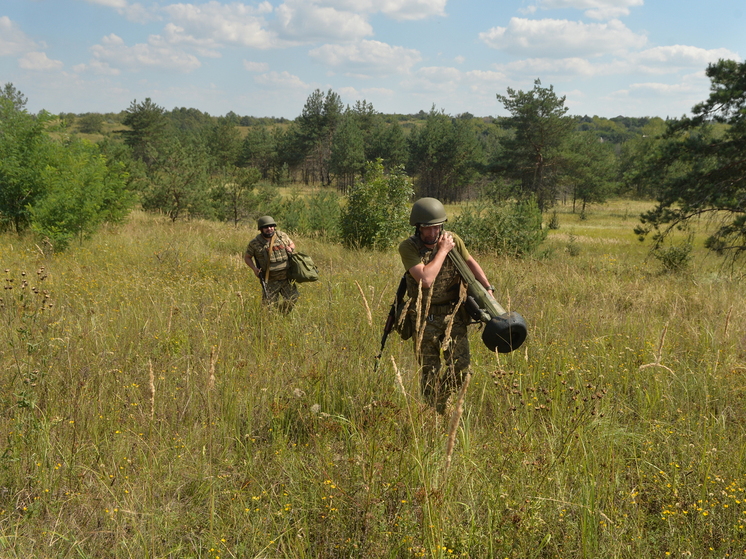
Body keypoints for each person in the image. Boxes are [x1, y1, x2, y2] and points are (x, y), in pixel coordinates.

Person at [398, 197, 497, 413]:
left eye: (436, 227)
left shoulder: (453, 240)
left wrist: (488, 288)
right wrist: (443, 250)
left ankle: (441, 404)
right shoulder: (408, 248)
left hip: (454, 316)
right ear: (418, 228)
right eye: (427, 229)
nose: (433, 233)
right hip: (424, 318)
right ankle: (433, 414)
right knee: (429, 373)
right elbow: (425, 279)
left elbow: (471, 263)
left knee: (462, 370)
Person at [244, 216, 299, 314]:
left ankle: (281, 316)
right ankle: (270, 321)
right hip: (270, 280)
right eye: (266, 227)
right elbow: (247, 257)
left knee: (292, 298)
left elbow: (292, 244)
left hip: (286, 278)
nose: (269, 229)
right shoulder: (255, 243)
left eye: (271, 226)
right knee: (268, 307)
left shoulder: (282, 236)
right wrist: (254, 268)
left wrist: (290, 248)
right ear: (261, 229)